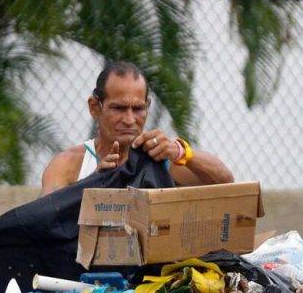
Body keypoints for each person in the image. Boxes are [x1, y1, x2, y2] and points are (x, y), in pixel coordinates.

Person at [41, 61, 234, 195]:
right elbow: (46, 218)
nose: (130, 119)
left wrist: (181, 151)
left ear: (147, 107)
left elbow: (226, 183)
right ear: (94, 107)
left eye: (138, 108)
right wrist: (93, 183)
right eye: (119, 108)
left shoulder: (160, 160)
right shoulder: (69, 164)